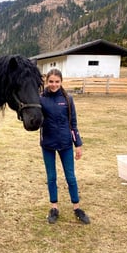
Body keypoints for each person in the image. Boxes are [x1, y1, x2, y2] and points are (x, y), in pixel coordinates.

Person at [39, 68, 90, 224]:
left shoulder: (68, 99)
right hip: (48, 144)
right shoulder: (40, 99)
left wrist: (78, 145)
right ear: (47, 82)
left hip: (66, 144)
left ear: (61, 82)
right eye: (51, 81)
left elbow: (73, 124)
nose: (54, 85)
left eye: (57, 82)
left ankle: (77, 208)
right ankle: (54, 207)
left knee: (71, 177)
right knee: (52, 177)